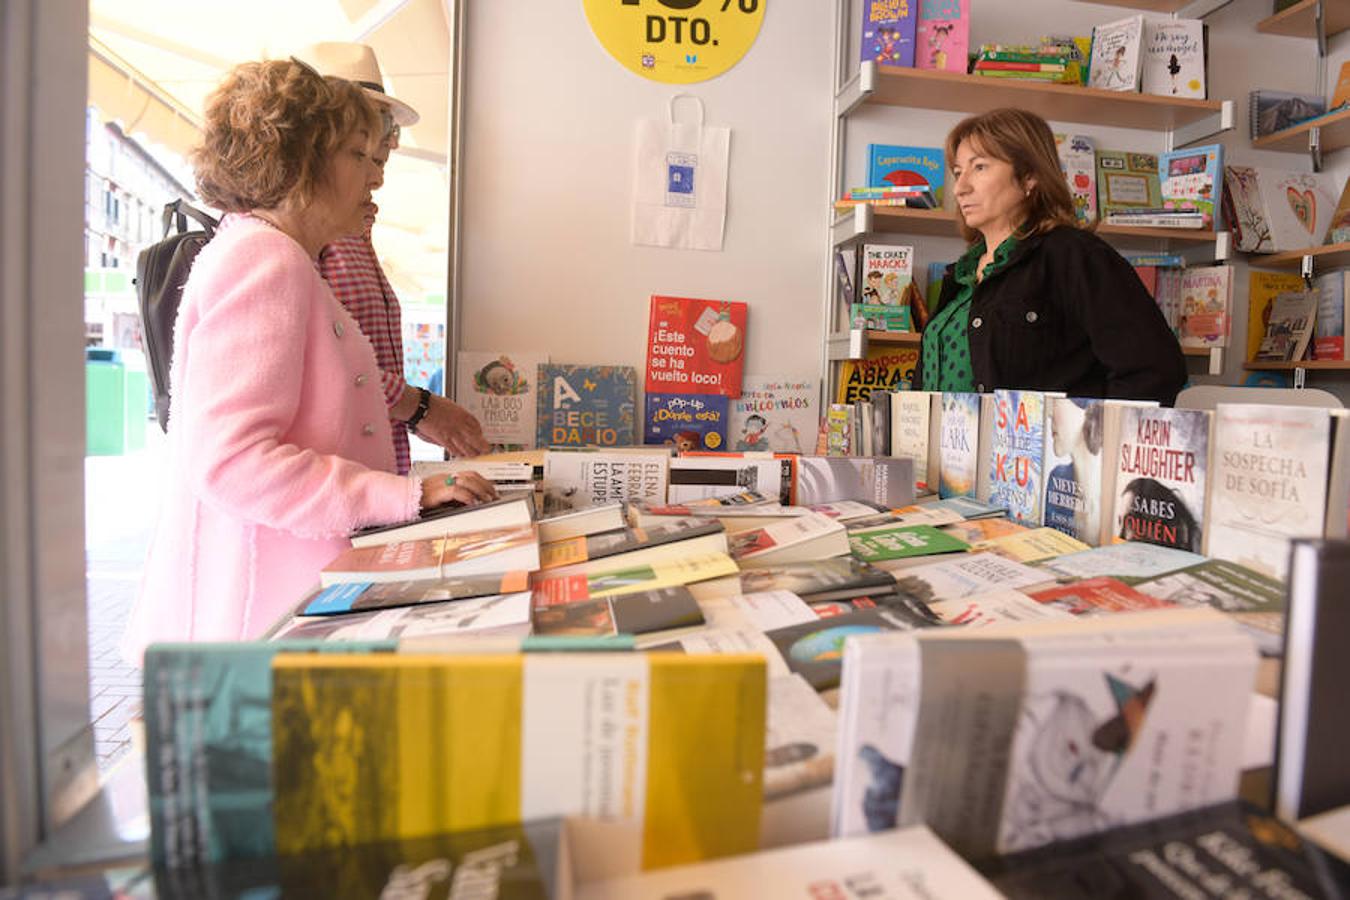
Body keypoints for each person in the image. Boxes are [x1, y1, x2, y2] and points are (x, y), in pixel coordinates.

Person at [122, 59, 497, 658]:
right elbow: (232, 461)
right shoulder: (264, 262)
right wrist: (403, 496)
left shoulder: (274, 253)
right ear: (303, 160)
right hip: (264, 616)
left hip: (283, 601)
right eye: (359, 155)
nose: (375, 178)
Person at [912, 108, 1186, 405]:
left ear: (1029, 176)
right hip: (943, 451)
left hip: (1034, 451)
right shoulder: (961, 275)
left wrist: (1087, 444)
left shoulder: (1074, 255)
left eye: (979, 168)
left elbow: (1154, 370)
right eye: (957, 172)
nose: (961, 188)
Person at [303, 43, 489, 474]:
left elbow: (361, 360)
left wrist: (416, 412)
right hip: (333, 488)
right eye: (363, 150)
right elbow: (325, 362)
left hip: (370, 481)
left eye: (386, 133)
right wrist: (420, 408)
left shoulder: (351, 229)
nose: (380, 171)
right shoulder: (291, 241)